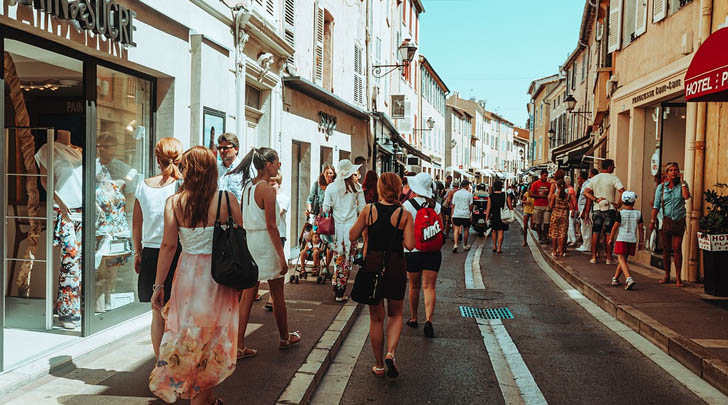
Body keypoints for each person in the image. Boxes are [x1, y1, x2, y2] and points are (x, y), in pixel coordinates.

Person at [148, 146, 241, 405]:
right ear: (212, 171)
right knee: (212, 337)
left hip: (188, 278)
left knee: (189, 336)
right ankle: (203, 397)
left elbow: (168, 247)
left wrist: (158, 286)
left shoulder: (174, 203)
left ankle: (200, 395)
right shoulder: (227, 200)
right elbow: (240, 241)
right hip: (220, 279)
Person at [233, 147, 301, 360]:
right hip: (266, 243)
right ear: (268, 164)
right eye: (277, 161)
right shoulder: (268, 191)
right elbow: (272, 226)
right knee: (278, 293)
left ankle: (239, 344)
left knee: (247, 295)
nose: (279, 165)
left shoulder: (248, 188)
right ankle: (284, 337)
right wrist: (282, 256)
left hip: (251, 241)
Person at [349, 173, 415, 378]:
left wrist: (367, 232)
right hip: (395, 265)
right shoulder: (404, 214)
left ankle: (378, 365)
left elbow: (352, 235)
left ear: (379, 188)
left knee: (376, 318)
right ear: (397, 189)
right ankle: (391, 353)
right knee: (395, 315)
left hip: (373, 264)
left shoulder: (369, 210)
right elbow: (410, 245)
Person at [132, 137, 183, 359]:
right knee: (179, 312)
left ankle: (159, 363)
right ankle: (177, 361)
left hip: (151, 252)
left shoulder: (143, 186)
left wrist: (137, 251)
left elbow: (136, 223)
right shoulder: (181, 186)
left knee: (157, 313)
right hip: (177, 251)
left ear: (157, 159)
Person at [35, 129, 83, 329]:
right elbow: (45, 181)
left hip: (83, 209)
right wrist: (60, 203)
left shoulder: (80, 151)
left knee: (82, 262)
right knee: (70, 260)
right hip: (64, 210)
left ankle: (77, 307)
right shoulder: (48, 149)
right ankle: (67, 313)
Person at [402, 173, 443, 338]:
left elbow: (403, 228)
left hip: (412, 252)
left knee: (414, 285)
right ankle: (429, 320)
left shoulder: (407, 205)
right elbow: (442, 226)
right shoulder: (436, 206)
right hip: (433, 252)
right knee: (429, 286)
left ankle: (413, 318)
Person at [323, 159, 366, 302]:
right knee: (347, 259)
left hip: (336, 229)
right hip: (352, 228)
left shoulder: (331, 188)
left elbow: (326, 208)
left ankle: (337, 284)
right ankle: (340, 290)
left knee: (338, 258)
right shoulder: (357, 187)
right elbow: (362, 208)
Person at [650, 162, 690, 287]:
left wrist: (683, 181)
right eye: (671, 170)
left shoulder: (682, 186)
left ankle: (678, 277)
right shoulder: (661, 188)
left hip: (678, 220)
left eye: (675, 170)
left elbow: (686, 196)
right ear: (666, 173)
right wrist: (652, 221)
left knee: (677, 249)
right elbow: (656, 205)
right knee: (666, 250)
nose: (673, 172)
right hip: (665, 221)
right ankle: (667, 275)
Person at [583, 159, 625, 265]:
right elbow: (623, 192)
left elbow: (586, 192)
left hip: (597, 207)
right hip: (609, 208)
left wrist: (595, 199)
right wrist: (619, 204)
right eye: (613, 166)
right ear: (609, 167)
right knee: (608, 233)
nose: (614, 167)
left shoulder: (595, 178)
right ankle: (608, 258)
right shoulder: (614, 178)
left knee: (595, 232)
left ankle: (593, 257)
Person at [608, 191, 644, 290]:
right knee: (624, 260)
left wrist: (611, 238)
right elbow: (641, 229)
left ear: (623, 202)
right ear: (634, 202)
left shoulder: (620, 213)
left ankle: (628, 278)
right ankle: (615, 278)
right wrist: (641, 241)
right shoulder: (638, 214)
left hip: (622, 239)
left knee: (621, 259)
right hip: (632, 240)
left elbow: (615, 227)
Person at [548, 179, 574, 257]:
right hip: (564, 215)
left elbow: (551, 206)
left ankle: (554, 251)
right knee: (562, 233)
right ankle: (561, 251)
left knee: (554, 233)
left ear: (557, 186)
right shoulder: (567, 195)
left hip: (555, 214)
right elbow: (571, 205)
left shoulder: (554, 195)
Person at [486, 180, 513, 254]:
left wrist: (486, 217)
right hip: (503, 215)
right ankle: (499, 248)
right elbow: (510, 205)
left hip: (494, 215)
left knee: (494, 230)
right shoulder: (505, 194)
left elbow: (488, 207)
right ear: (501, 187)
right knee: (501, 231)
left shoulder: (491, 196)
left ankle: (494, 246)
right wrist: (511, 213)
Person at [216, 132, 244, 201]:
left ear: (236, 149)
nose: (221, 151)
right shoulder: (216, 169)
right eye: (219, 148)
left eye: (225, 148)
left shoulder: (244, 169)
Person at [576, 169, 598, 252]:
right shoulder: (585, 185)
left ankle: (587, 245)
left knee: (586, 228)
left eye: (578, 178)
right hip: (584, 209)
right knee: (585, 228)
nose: (577, 180)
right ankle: (586, 244)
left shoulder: (586, 186)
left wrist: (585, 212)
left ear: (582, 179)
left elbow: (587, 200)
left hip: (585, 209)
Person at [451, 179, 473, 253]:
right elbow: (471, 206)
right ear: (467, 185)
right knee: (466, 229)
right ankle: (465, 245)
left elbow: (453, 205)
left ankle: (455, 244)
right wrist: (470, 213)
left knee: (456, 229)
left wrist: (452, 215)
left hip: (456, 214)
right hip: (465, 214)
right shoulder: (469, 194)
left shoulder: (456, 194)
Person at [530, 170, 551, 244]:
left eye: (546, 176)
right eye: (545, 175)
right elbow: (531, 194)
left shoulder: (549, 184)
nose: (546, 177)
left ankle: (544, 236)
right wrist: (540, 196)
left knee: (546, 222)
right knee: (538, 223)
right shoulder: (535, 184)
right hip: (538, 205)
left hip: (546, 205)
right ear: (541, 175)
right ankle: (540, 237)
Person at [565, 176, 579, 247]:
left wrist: (573, 210)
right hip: (571, 209)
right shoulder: (569, 189)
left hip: (572, 209)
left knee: (571, 225)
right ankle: (569, 239)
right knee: (570, 225)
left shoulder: (570, 190)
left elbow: (574, 200)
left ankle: (573, 240)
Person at [521, 179, 535, 247]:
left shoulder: (535, 194)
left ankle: (540, 235)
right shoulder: (526, 194)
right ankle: (524, 240)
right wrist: (526, 202)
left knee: (533, 226)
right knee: (525, 226)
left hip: (533, 211)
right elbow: (522, 201)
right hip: (526, 210)